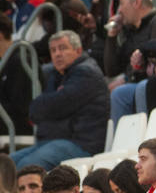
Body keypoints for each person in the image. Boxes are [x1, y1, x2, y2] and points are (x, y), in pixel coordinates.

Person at [12, 31, 108, 168]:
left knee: (26, 166)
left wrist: (45, 105)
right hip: (54, 140)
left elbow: (53, 106)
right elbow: (35, 111)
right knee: (7, 164)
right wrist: (46, 106)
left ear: (78, 50)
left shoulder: (87, 73)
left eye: (62, 48)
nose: (57, 54)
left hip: (81, 143)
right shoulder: (56, 75)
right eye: (53, 50)